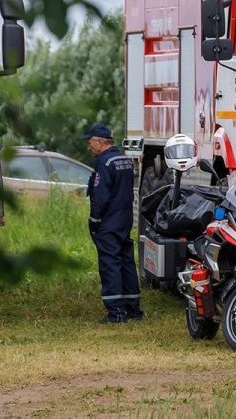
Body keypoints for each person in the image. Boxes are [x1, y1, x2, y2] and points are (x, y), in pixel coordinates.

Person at [84, 123, 143, 323]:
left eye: (90, 142)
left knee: (110, 264)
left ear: (100, 142)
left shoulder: (104, 163)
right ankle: (133, 309)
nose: (88, 147)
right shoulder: (124, 160)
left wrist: (94, 220)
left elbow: (100, 196)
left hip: (109, 221)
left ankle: (116, 312)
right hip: (125, 219)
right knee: (126, 262)